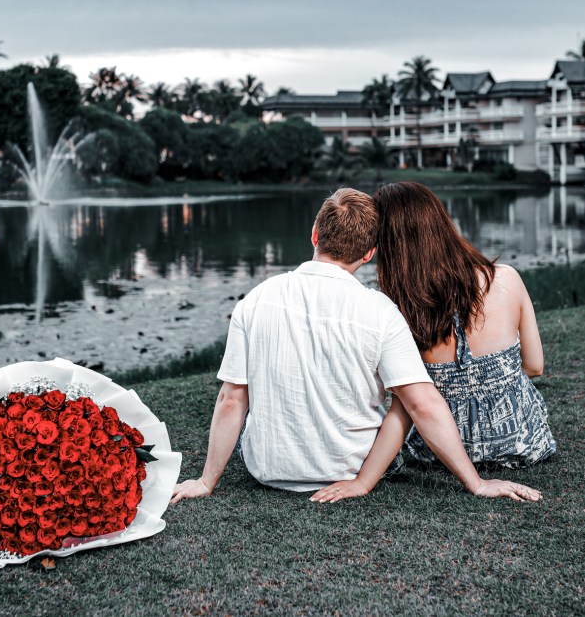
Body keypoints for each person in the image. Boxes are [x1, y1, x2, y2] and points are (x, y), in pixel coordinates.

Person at [171, 188, 541, 505]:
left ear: (315, 234)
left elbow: (232, 398)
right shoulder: (381, 311)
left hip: (266, 470)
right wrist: (476, 483)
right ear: (368, 255)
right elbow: (422, 404)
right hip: (351, 466)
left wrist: (206, 481)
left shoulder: (256, 299)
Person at [363, 181, 556, 474]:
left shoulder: (401, 309)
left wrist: (364, 480)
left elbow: (406, 408)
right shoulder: (505, 279)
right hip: (522, 443)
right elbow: (535, 366)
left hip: (439, 452)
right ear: (441, 223)